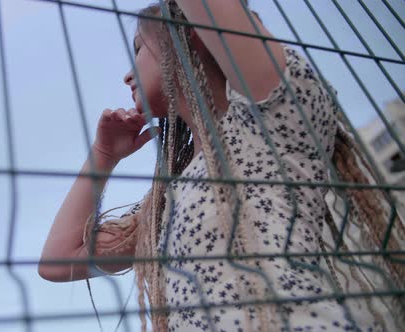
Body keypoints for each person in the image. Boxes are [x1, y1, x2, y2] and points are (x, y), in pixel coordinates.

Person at [39, 1, 405, 331]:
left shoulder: (269, 116)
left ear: (187, 38)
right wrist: (103, 155)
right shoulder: (163, 202)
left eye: (138, 49)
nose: (127, 74)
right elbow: (58, 261)